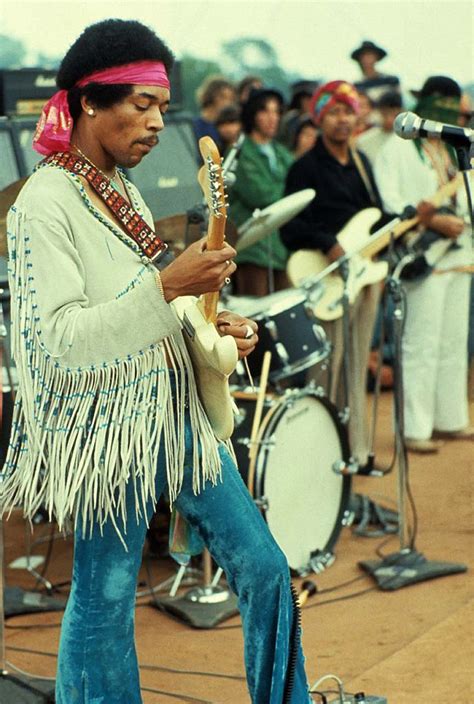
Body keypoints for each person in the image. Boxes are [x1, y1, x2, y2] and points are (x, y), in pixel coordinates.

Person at [0, 20, 311, 703]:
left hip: (176, 415)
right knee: (105, 598)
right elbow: (58, 343)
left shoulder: (125, 190)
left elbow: (144, 307)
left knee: (262, 568)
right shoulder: (41, 206)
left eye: (163, 108)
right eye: (140, 104)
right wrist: (170, 284)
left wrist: (204, 318)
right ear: (87, 101)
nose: (155, 122)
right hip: (105, 435)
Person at [281, 80, 387, 471]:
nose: (343, 120)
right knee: (325, 366)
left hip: (362, 278)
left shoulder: (362, 163)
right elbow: (289, 228)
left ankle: (353, 450)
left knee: (357, 365)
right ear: (320, 117)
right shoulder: (304, 168)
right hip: (325, 278)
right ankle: (316, 454)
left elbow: (375, 215)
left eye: (349, 112)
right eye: (335, 112)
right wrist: (328, 243)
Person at [374, 75, 473, 453]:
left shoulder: (454, 147)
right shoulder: (397, 148)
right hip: (423, 253)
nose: (455, 115)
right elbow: (391, 202)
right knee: (422, 341)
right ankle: (415, 427)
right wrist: (431, 220)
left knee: (452, 341)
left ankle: (450, 418)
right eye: (448, 106)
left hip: (461, 251)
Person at [228, 88, 293, 296]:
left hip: (281, 248)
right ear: (253, 115)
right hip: (253, 250)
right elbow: (260, 195)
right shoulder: (240, 152)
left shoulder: (281, 152)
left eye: (276, 112)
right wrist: (289, 190)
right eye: (265, 111)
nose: (272, 118)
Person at [356, 90, 403, 166]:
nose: (389, 120)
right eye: (385, 114)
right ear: (379, 112)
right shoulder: (363, 141)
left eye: (394, 115)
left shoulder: (407, 141)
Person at [351, 40, 400, 104]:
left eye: (370, 55)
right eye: (364, 56)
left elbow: (398, 104)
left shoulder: (391, 80)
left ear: (376, 57)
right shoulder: (357, 85)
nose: (367, 59)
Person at [193, 75, 236, 145]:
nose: (228, 103)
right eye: (223, 97)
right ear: (210, 96)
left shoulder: (226, 129)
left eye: (231, 99)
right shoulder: (194, 126)